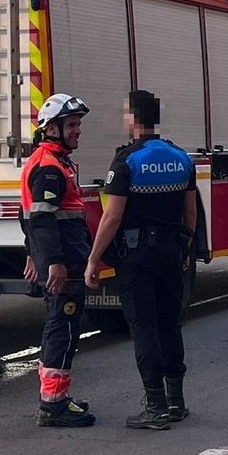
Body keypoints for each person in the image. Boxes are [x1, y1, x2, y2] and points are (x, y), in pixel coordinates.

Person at [85, 90, 199, 429]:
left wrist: (93, 260)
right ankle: (177, 401)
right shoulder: (181, 158)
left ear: (133, 119)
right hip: (171, 252)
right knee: (169, 325)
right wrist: (186, 249)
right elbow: (190, 212)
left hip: (136, 256)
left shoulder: (126, 161)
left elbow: (112, 217)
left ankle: (155, 408)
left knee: (145, 328)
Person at [21, 93, 95, 428]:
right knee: (63, 328)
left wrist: (35, 254)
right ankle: (53, 404)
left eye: (78, 124)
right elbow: (41, 219)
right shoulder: (49, 168)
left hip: (62, 260)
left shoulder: (51, 161)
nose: (78, 130)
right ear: (52, 129)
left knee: (61, 327)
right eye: (72, 125)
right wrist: (52, 261)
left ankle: (57, 398)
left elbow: (32, 217)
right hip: (64, 265)